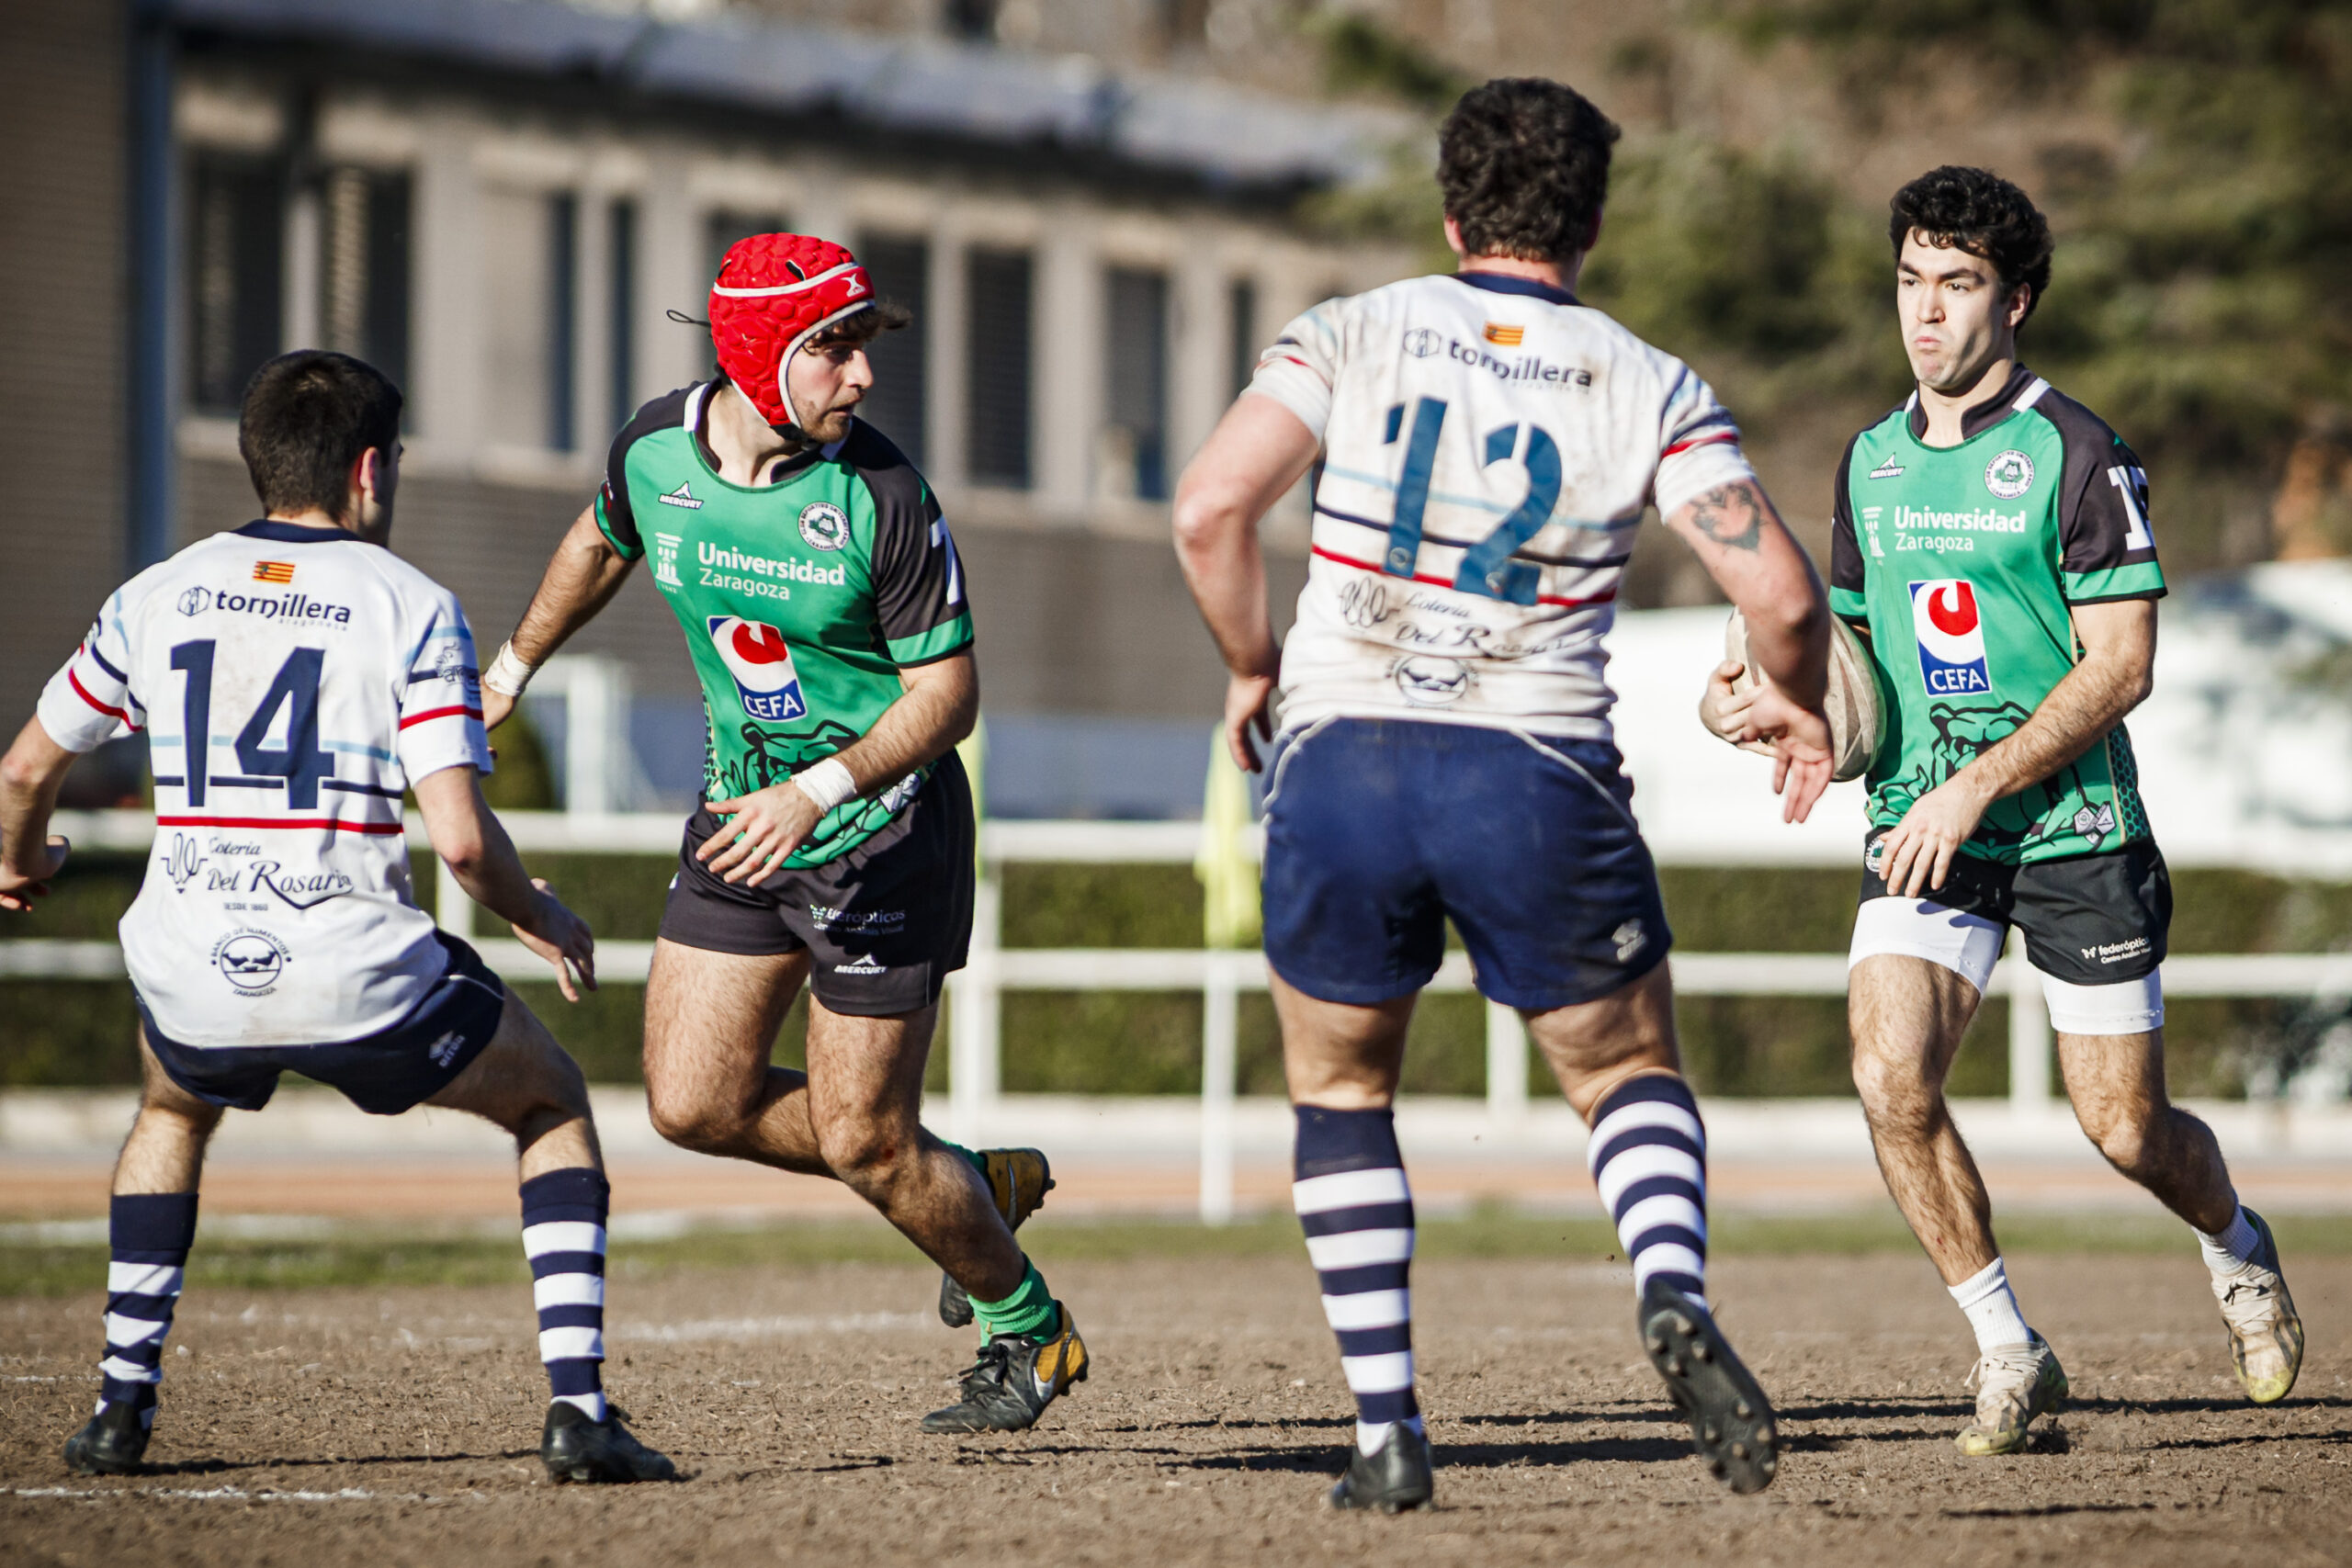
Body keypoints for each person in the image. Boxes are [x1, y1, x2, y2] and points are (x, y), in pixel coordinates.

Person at [1172, 78, 1836, 1513]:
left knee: (1341, 1088)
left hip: (1344, 756)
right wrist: (1794, 695)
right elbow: (1782, 595)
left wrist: (1251, 665)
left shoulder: (1348, 330)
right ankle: (1669, 1283)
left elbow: (1210, 508)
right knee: (1624, 1072)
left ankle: (1387, 1433)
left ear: (1451, 210)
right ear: (1592, 220)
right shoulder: (1648, 380)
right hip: (1534, 769)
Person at [1702, 165, 2301, 1455]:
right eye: (1910, 281)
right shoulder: (1869, 462)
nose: (1926, 312)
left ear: (2014, 300)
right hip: (1926, 826)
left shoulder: (2078, 454)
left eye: (1958, 284)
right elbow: (1848, 660)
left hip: (2074, 829)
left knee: (2125, 1129)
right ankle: (2007, 1347)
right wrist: (1771, 706)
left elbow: (2121, 665)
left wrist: (1980, 779)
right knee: (1888, 1075)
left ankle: (2237, 1246)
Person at [0, 351, 672, 1483]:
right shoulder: (410, 604)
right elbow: (462, 840)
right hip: (357, 971)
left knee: (170, 1109)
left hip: (193, 971)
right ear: (369, 469)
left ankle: (118, 1408)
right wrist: (541, 915)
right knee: (551, 1098)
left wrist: (22, 863)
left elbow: (24, 770)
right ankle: (578, 1409)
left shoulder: (156, 592)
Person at [477, 233, 1077, 1434]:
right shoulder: (655, 449)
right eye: (835, 349)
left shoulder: (883, 494)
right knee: (692, 1103)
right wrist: (508, 670)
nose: (863, 375)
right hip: (740, 819)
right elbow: (598, 539)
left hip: (881, 837)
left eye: (864, 348)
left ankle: (1031, 1326)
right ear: (758, 355)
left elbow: (948, 696)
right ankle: (973, 1179)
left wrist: (817, 790)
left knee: (866, 1140)